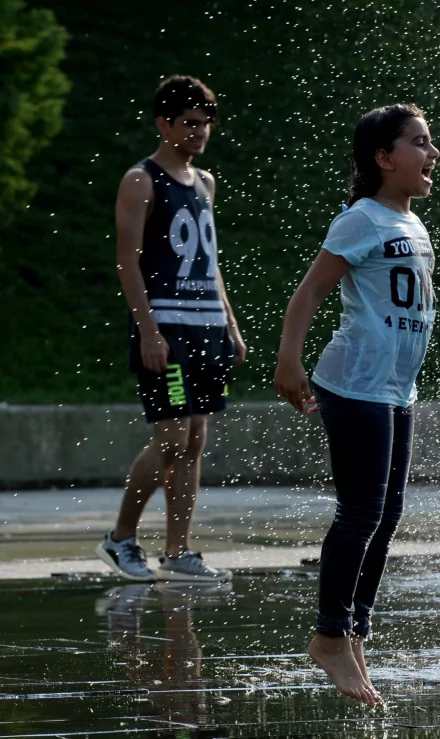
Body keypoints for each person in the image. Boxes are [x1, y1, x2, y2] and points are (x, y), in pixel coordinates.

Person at [274, 104, 439, 707]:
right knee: (361, 512)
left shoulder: (411, 222)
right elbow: (309, 292)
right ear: (384, 157)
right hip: (355, 385)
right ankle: (329, 636)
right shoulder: (360, 219)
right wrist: (289, 360)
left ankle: (353, 634)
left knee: (386, 515)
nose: (432, 153)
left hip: (395, 389)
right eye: (419, 143)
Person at [96, 76, 245, 583]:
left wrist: (230, 324)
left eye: (206, 124)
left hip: (206, 325)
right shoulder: (141, 180)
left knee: (195, 438)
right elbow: (127, 261)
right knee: (171, 438)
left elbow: (210, 261)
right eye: (190, 123)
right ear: (163, 124)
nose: (200, 132)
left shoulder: (205, 182)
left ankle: (178, 551)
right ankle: (120, 539)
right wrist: (149, 331)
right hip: (167, 326)